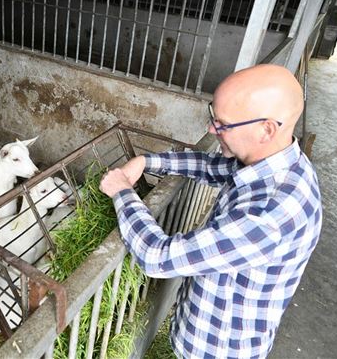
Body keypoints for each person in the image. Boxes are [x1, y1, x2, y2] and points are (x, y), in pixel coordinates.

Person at [99, 64, 322, 359]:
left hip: (217, 350)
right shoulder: (275, 162)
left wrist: (122, 191)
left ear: (266, 129)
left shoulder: (269, 214)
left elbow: (157, 257)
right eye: (212, 116)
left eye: (223, 124)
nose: (211, 129)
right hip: (206, 328)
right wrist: (146, 162)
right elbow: (210, 166)